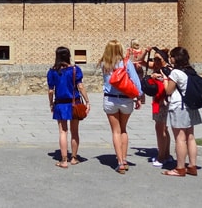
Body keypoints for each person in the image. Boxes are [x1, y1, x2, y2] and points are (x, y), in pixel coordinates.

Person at [99, 39, 142, 174]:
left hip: (110, 99)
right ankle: (124, 159)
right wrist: (139, 96)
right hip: (126, 100)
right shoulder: (126, 63)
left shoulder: (104, 64)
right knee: (123, 129)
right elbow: (135, 81)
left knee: (115, 131)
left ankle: (119, 162)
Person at [162, 46, 202, 177]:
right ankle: (192, 165)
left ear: (175, 58)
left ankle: (180, 168)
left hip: (179, 106)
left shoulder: (175, 73)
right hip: (191, 105)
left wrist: (164, 79)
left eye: (171, 57)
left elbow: (168, 90)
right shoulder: (190, 71)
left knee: (180, 138)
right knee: (190, 137)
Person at [47, 46, 90, 168]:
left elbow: (51, 91)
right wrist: (87, 101)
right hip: (74, 103)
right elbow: (80, 86)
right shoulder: (75, 70)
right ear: (68, 56)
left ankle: (64, 160)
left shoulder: (52, 72)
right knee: (75, 131)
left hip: (60, 103)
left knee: (62, 131)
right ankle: (74, 158)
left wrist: (51, 103)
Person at [145, 48, 172, 167]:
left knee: (160, 128)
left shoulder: (166, 70)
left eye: (158, 59)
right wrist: (146, 52)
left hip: (162, 101)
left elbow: (168, 84)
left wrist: (158, 77)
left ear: (164, 59)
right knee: (164, 128)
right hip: (159, 100)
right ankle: (166, 154)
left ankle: (161, 157)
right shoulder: (160, 68)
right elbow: (141, 62)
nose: (155, 61)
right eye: (154, 58)